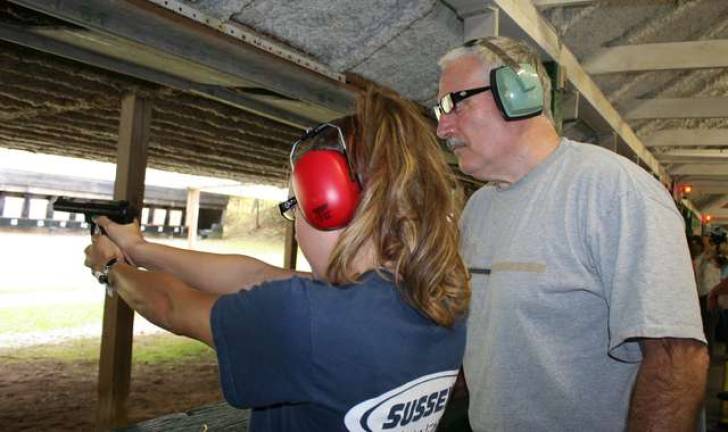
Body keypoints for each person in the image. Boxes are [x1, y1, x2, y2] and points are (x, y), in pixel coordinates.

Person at [83, 87, 470, 432]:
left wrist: (111, 269)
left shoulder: (310, 320)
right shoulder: (442, 296)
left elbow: (171, 306)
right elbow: (255, 274)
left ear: (327, 204)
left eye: (295, 206)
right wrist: (140, 248)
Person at [434, 36, 708, 431]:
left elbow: (676, 357)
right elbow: (487, 342)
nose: (443, 127)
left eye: (456, 103)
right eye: (440, 110)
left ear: (518, 94)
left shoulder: (613, 191)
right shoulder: (478, 209)